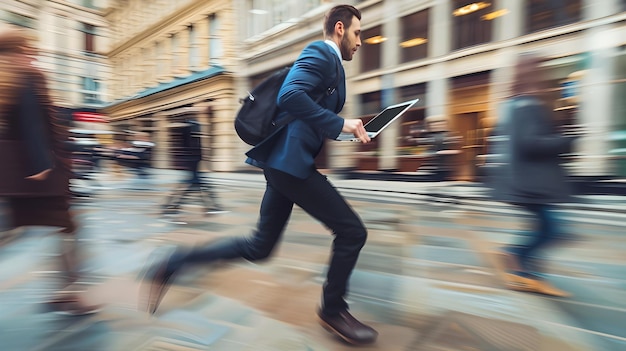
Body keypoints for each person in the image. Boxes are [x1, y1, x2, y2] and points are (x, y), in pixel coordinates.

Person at [142, 4, 378, 345]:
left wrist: (346, 131)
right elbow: (290, 95)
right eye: (357, 33)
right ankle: (332, 309)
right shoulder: (321, 53)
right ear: (340, 29)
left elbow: (307, 114)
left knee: (259, 247)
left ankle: (174, 262)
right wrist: (339, 122)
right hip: (291, 166)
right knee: (352, 232)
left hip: (285, 164)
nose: (360, 41)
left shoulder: (332, 65)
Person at [0, 27, 100, 314]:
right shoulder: (29, 76)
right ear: (19, 51)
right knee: (67, 228)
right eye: (28, 48)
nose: (33, 53)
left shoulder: (4, 81)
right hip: (40, 174)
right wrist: (41, 164)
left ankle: (69, 291)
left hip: (11, 176)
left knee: (11, 232)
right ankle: (70, 292)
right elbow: (34, 123)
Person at [489, 53, 582, 297]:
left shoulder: (514, 103)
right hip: (530, 182)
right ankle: (519, 261)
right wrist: (568, 140)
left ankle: (524, 268)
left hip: (520, 180)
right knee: (551, 229)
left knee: (546, 227)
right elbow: (530, 143)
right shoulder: (528, 103)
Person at [160, 120, 225, 224]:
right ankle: (171, 207)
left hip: (194, 166)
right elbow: (194, 151)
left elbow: (198, 152)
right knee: (197, 188)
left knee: (196, 188)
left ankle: (172, 207)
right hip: (192, 166)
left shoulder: (192, 137)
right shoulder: (189, 136)